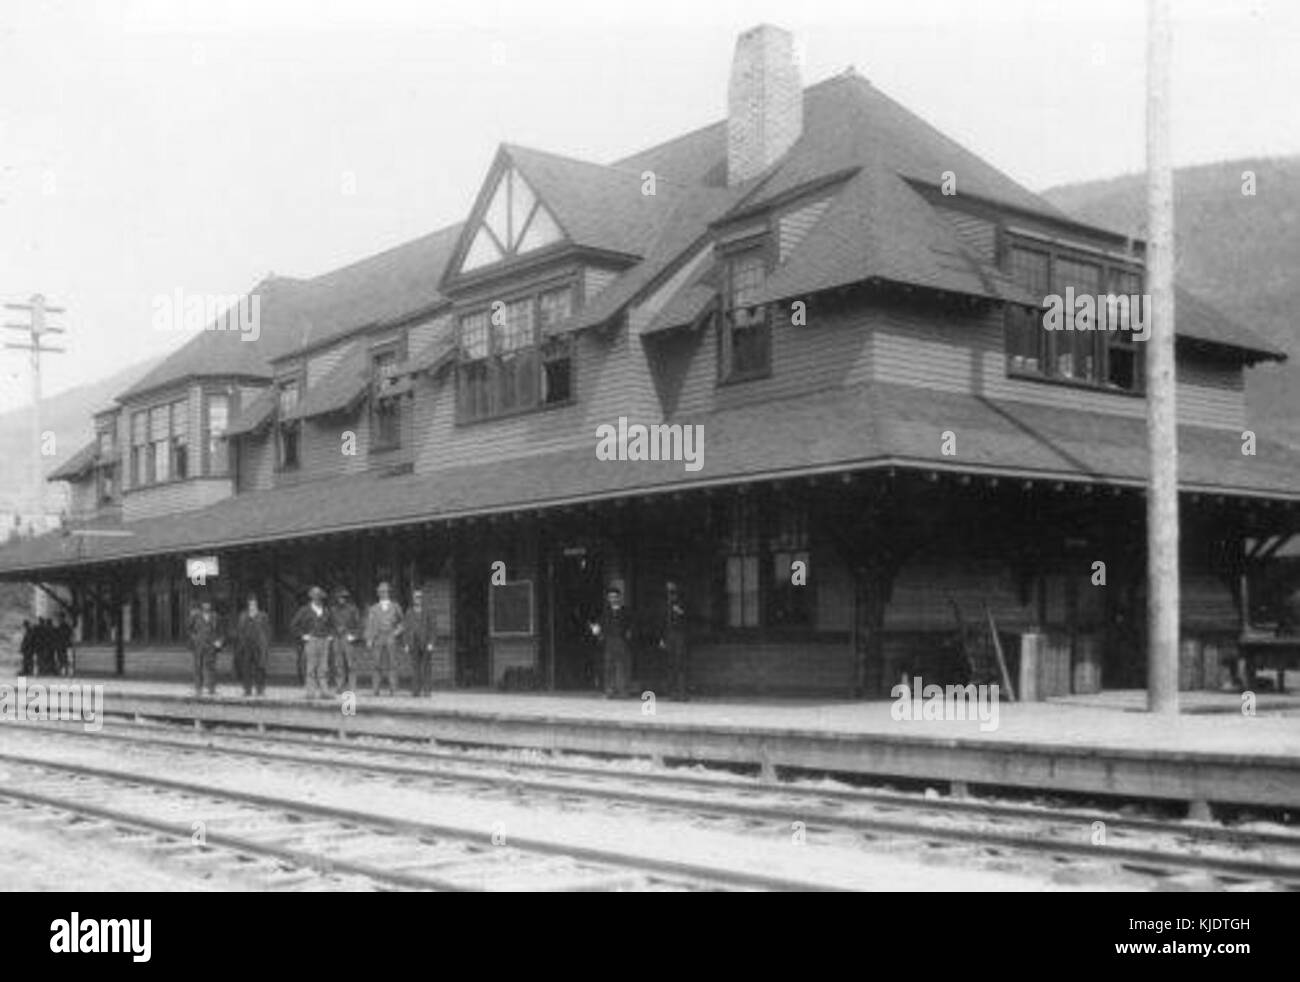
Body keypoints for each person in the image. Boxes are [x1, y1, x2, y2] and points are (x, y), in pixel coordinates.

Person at [291, 586, 334, 699]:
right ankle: (310, 692)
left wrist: (330, 635)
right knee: (311, 667)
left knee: (323, 667)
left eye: (319, 597)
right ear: (312, 598)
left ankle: (324, 692)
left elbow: (331, 625)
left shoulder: (326, 611)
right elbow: (294, 625)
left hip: (324, 641)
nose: (317, 599)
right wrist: (303, 635)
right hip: (312, 641)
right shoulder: (304, 610)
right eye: (315, 597)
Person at [591, 586, 633, 698]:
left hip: (622, 640)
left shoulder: (625, 611)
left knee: (622, 665)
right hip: (609, 640)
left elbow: (631, 626)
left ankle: (623, 690)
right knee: (609, 665)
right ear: (608, 599)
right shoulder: (606, 612)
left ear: (619, 598)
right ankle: (610, 690)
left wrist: (629, 635)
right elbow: (599, 625)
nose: (613, 599)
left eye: (615, 597)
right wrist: (597, 630)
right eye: (611, 597)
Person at [364, 581, 404, 696]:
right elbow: (369, 624)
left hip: (390, 636)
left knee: (392, 663)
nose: (383, 593)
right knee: (376, 663)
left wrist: (397, 632)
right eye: (381, 591)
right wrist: (369, 639)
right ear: (378, 593)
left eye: (385, 591)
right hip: (378, 637)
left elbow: (402, 622)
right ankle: (376, 689)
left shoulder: (395, 607)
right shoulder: (374, 608)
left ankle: (393, 689)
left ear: (389, 592)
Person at [235, 595, 272, 696]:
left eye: (254, 604)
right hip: (246, 646)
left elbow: (267, 630)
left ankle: (260, 689)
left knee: (260, 668)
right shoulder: (243, 616)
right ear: (248, 605)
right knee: (246, 668)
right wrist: (241, 643)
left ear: (257, 605)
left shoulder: (263, 616)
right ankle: (247, 689)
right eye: (250, 604)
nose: (252, 606)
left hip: (259, 646)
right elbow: (239, 631)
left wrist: (266, 644)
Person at [404, 589, 438, 697]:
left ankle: (427, 691)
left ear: (422, 599)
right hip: (413, 643)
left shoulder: (428, 611)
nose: (417, 599)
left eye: (419, 597)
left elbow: (433, 628)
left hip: (425, 642)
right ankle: (416, 691)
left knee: (426, 668)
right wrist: (406, 644)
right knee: (415, 668)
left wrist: (431, 643)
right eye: (415, 597)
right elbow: (406, 629)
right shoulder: (409, 612)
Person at [660, 579, 689, 700]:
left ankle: (681, 691)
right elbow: (662, 622)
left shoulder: (682, 603)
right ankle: (671, 691)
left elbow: (688, 618)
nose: (671, 595)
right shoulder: (664, 605)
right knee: (670, 663)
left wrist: (681, 612)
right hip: (669, 635)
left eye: (672, 591)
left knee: (680, 663)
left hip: (680, 635)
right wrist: (662, 638)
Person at [188, 600, 224, 697]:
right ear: (201, 605)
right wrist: (195, 639)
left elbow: (221, 630)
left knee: (211, 667)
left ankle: (211, 688)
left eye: (208, 603)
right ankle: (198, 689)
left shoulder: (215, 616)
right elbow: (189, 630)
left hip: (211, 645)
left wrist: (219, 641)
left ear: (211, 605)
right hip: (199, 645)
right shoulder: (195, 616)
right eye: (204, 603)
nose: (206, 605)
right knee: (198, 667)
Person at [330, 587, 362, 694]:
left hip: (348, 637)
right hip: (337, 638)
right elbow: (329, 624)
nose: (341, 599)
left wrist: (354, 635)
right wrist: (332, 634)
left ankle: (352, 687)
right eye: (339, 597)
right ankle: (340, 686)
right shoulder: (333, 610)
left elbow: (358, 624)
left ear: (347, 598)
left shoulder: (353, 609)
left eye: (344, 597)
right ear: (336, 598)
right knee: (338, 664)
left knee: (351, 663)